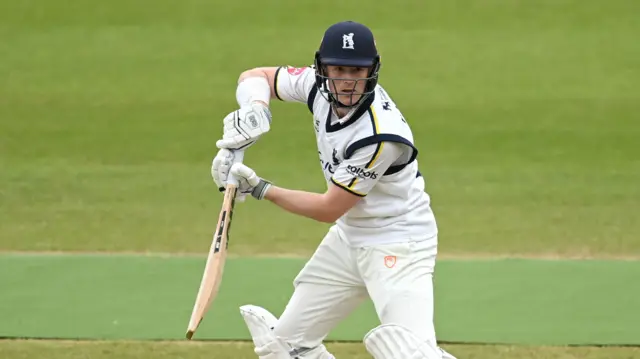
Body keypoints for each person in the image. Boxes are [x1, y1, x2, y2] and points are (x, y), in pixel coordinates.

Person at [211, 20, 457, 359]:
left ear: (373, 70)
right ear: (322, 67)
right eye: (338, 69)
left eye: (357, 71)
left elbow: (329, 208)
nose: (346, 81)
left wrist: (259, 189)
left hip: (398, 244)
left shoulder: (380, 136)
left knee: (412, 354)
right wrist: (255, 111)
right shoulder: (315, 85)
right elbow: (257, 76)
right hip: (349, 239)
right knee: (284, 348)